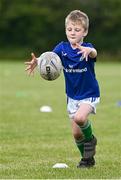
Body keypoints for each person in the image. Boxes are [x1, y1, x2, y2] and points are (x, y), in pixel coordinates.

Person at [25, 10, 100, 168]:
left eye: (77, 29)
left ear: (85, 32)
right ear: (66, 30)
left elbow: (94, 53)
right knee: (76, 134)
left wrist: (90, 52)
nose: (73, 32)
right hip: (72, 96)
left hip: (89, 94)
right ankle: (87, 160)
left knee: (80, 118)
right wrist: (37, 61)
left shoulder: (87, 48)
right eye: (70, 29)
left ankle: (91, 140)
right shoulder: (62, 48)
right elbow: (50, 58)